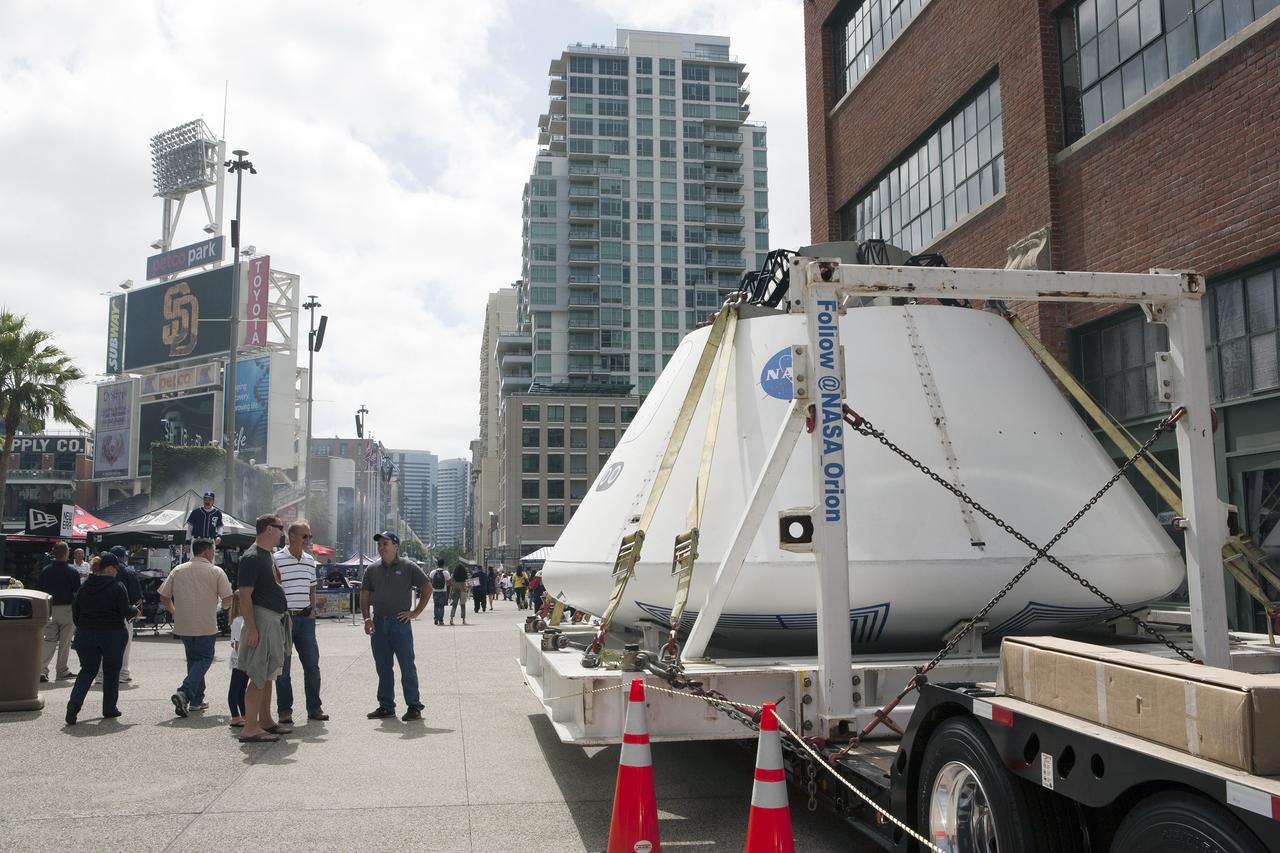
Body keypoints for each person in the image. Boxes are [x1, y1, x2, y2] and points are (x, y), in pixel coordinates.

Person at [159, 538, 233, 717]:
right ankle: (184, 692)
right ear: (207, 551)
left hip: (183, 623)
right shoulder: (216, 571)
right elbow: (227, 598)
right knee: (205, 658)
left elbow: (164, 596)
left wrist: (174, 611)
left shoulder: (178, 569)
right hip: (205, 623)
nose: (213, 554)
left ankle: (196, 700)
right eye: (213, 550)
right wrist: (225, 610)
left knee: (193, 660)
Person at [235, 515, 293, 743]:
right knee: (259, 675)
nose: (282, 532)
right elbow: (244, 595)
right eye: (280, 528)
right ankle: (250, 727)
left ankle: (265, 720)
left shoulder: (266, 555)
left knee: (269, 674)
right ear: (269, 529)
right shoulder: (252, 557)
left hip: (272, 620)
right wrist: (251, 628)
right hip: (262, 620)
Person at [361, 531, 428, 721]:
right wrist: (367, 618)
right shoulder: (372, 569)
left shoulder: (408, 567)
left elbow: (427, 587)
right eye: (379, 544)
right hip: (378, 623)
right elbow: (365, 594)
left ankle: (414, 706)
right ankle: (386, 706)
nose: (381, 547)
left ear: (396, 546)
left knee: (407, 666)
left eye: (385, 544)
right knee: (383, 668)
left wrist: (415, 612)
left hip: (400, 623)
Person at [64, 553, 138, 726]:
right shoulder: (117, 586)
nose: (117, 572)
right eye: (116, 568)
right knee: (111, 671)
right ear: (110, 568)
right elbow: (125, 611)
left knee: (87, 670)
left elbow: (76, 613)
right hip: (112, 634)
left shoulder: (85, 586)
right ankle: (109, 708)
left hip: (86, 633)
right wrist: (135, 610)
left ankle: (73, 705)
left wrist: (84, 627)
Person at [274, 520, 328, 724]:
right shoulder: (276, 559)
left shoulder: (309, 560)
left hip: (306, 620)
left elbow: (312, 587)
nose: (308, 540)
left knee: (312, 665)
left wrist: (312, 609)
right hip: (284, 619)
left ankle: (314, 708)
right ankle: (284, 710)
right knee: (283, 668)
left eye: (309, 536)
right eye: (305, 536)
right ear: (292, 537)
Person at [37, 542, 81, 682]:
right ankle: (62, 670)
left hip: (49, 608)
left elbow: (40, 591)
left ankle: (41, 670)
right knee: (65, 642)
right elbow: (77, 594)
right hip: (67, 609)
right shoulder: (72, 571)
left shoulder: (45, 570)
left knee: (48, 640)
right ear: (66, 553)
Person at [109, 545, 142, 683]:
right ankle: (122, 673)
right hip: (124, 613)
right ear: (123, 557)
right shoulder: (129, 571)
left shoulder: (100, 570)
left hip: (104, 612)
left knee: (104, 645)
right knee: (124, 645)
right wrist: (137, 611)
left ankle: (100, 674)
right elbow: (136, 596)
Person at [226, 595, 247, 727]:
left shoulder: (241, 619)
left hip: (243, 658)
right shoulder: (238, 621)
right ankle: (235, 715)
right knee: (235, 688)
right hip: (240, 659)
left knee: (242, 689)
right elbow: (237, 643)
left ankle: (244, 714)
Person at [428, 559, 450, 626]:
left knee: (436, 605)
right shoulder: (446, 573)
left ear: (437, 564)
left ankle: (436, 618)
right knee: (441, 606)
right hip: (443, 591)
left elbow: (429, 581)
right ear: (443, 565)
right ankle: (441, 620)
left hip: (435, 591)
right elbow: (449, 582)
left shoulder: (432, 572)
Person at [449, 561, 468, 626]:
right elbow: (465, 584)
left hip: (455, 590)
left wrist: (450, 593)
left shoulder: (453, 576)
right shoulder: (464, 576)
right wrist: (466, 590)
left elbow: (451, 584)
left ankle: (451, 619)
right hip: (462, 591)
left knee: (454, 605)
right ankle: (463, 620)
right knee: (463, 605)